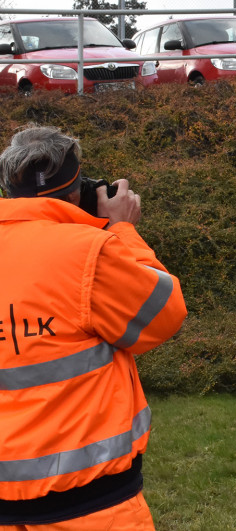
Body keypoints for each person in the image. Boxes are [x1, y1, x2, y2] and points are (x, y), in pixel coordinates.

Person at [0, 126, 187, 530]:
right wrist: (122, 230)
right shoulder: (87, 253)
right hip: (93, 509)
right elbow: (163, 313)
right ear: (75, 190)